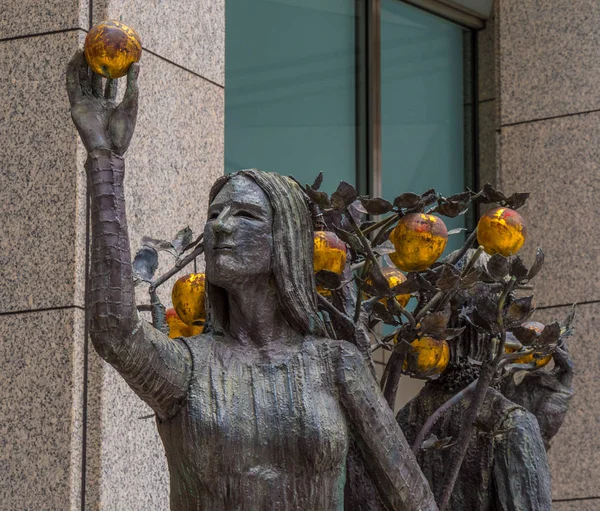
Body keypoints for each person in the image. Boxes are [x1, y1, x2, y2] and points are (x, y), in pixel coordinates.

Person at [66, 50, 437, 511]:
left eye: (244, 214)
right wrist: (105, 162)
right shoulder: (187, 368)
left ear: (285, 241)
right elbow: (113, 328)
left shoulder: (337, 366)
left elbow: (414, 499)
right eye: (214, 214)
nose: (219, 226)